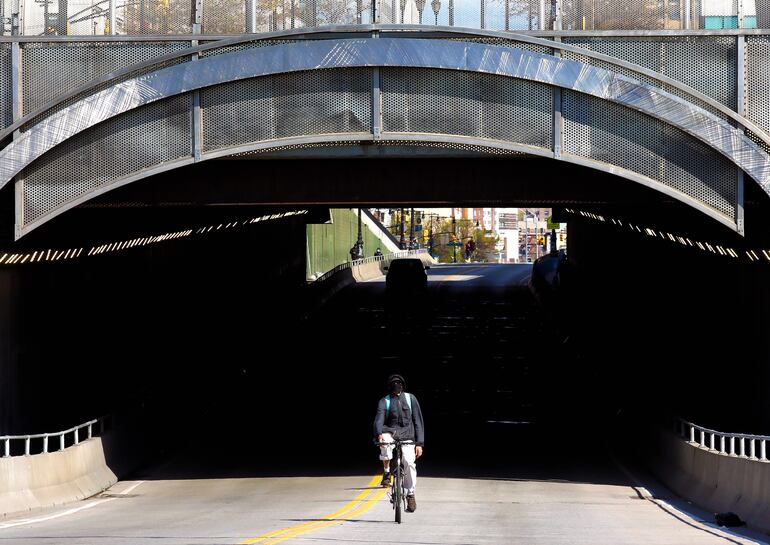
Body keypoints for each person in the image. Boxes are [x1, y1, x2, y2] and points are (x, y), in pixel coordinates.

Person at [373, 374, 425, 513]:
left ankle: (410, 494)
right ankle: (387, 471)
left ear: (402, 385)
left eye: (399, 383)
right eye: (394, 383)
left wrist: (419, 443)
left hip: (407, 434)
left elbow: (418, 422)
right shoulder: (385, 401)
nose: (397, 385)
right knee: (384, 443)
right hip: (389, 432)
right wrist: (379, 434)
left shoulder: (410, 399)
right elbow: (379, 419)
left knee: (409, 462)